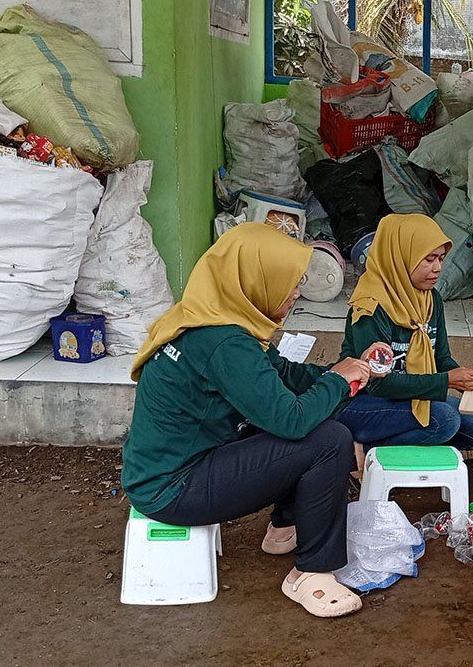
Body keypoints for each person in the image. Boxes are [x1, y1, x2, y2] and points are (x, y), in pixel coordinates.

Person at [122, 224, 388, 619]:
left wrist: (349, 370)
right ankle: (311, 573)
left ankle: (286, 527)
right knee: (329, 439)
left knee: (302, 413)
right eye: (288, 282)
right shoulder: (225, 343)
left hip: (167, 470)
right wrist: (336, 381)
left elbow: (285, 377)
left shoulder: (211, 319)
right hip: (173, 488)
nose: (295, 292)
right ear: (255, 279)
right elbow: (292, 421)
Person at [337, 214, 473, 453]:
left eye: (441, 259)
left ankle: (416, 450)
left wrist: (466, 377)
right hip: (365, 401)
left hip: (412, 396)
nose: (438, 268)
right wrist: (447, 380)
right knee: (443, 420)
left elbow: (441, 358)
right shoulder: (371, 305)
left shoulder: (431, 299)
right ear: (401, 257)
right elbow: (379, 384)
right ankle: (367, 450)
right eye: (429, 259)